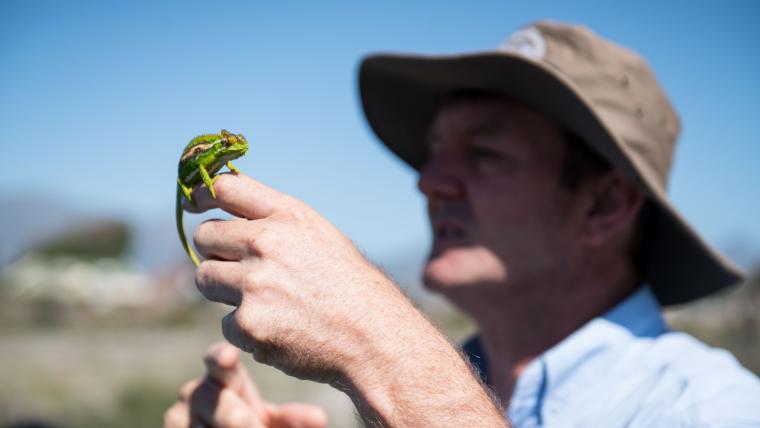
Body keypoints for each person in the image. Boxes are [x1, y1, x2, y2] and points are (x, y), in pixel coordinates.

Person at [163, 21, 760, 427]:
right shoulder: (445, 380)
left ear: (604, 206)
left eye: (485, 153)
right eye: (435, 151)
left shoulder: (709, 408)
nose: (429, 181)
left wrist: (384, 350)